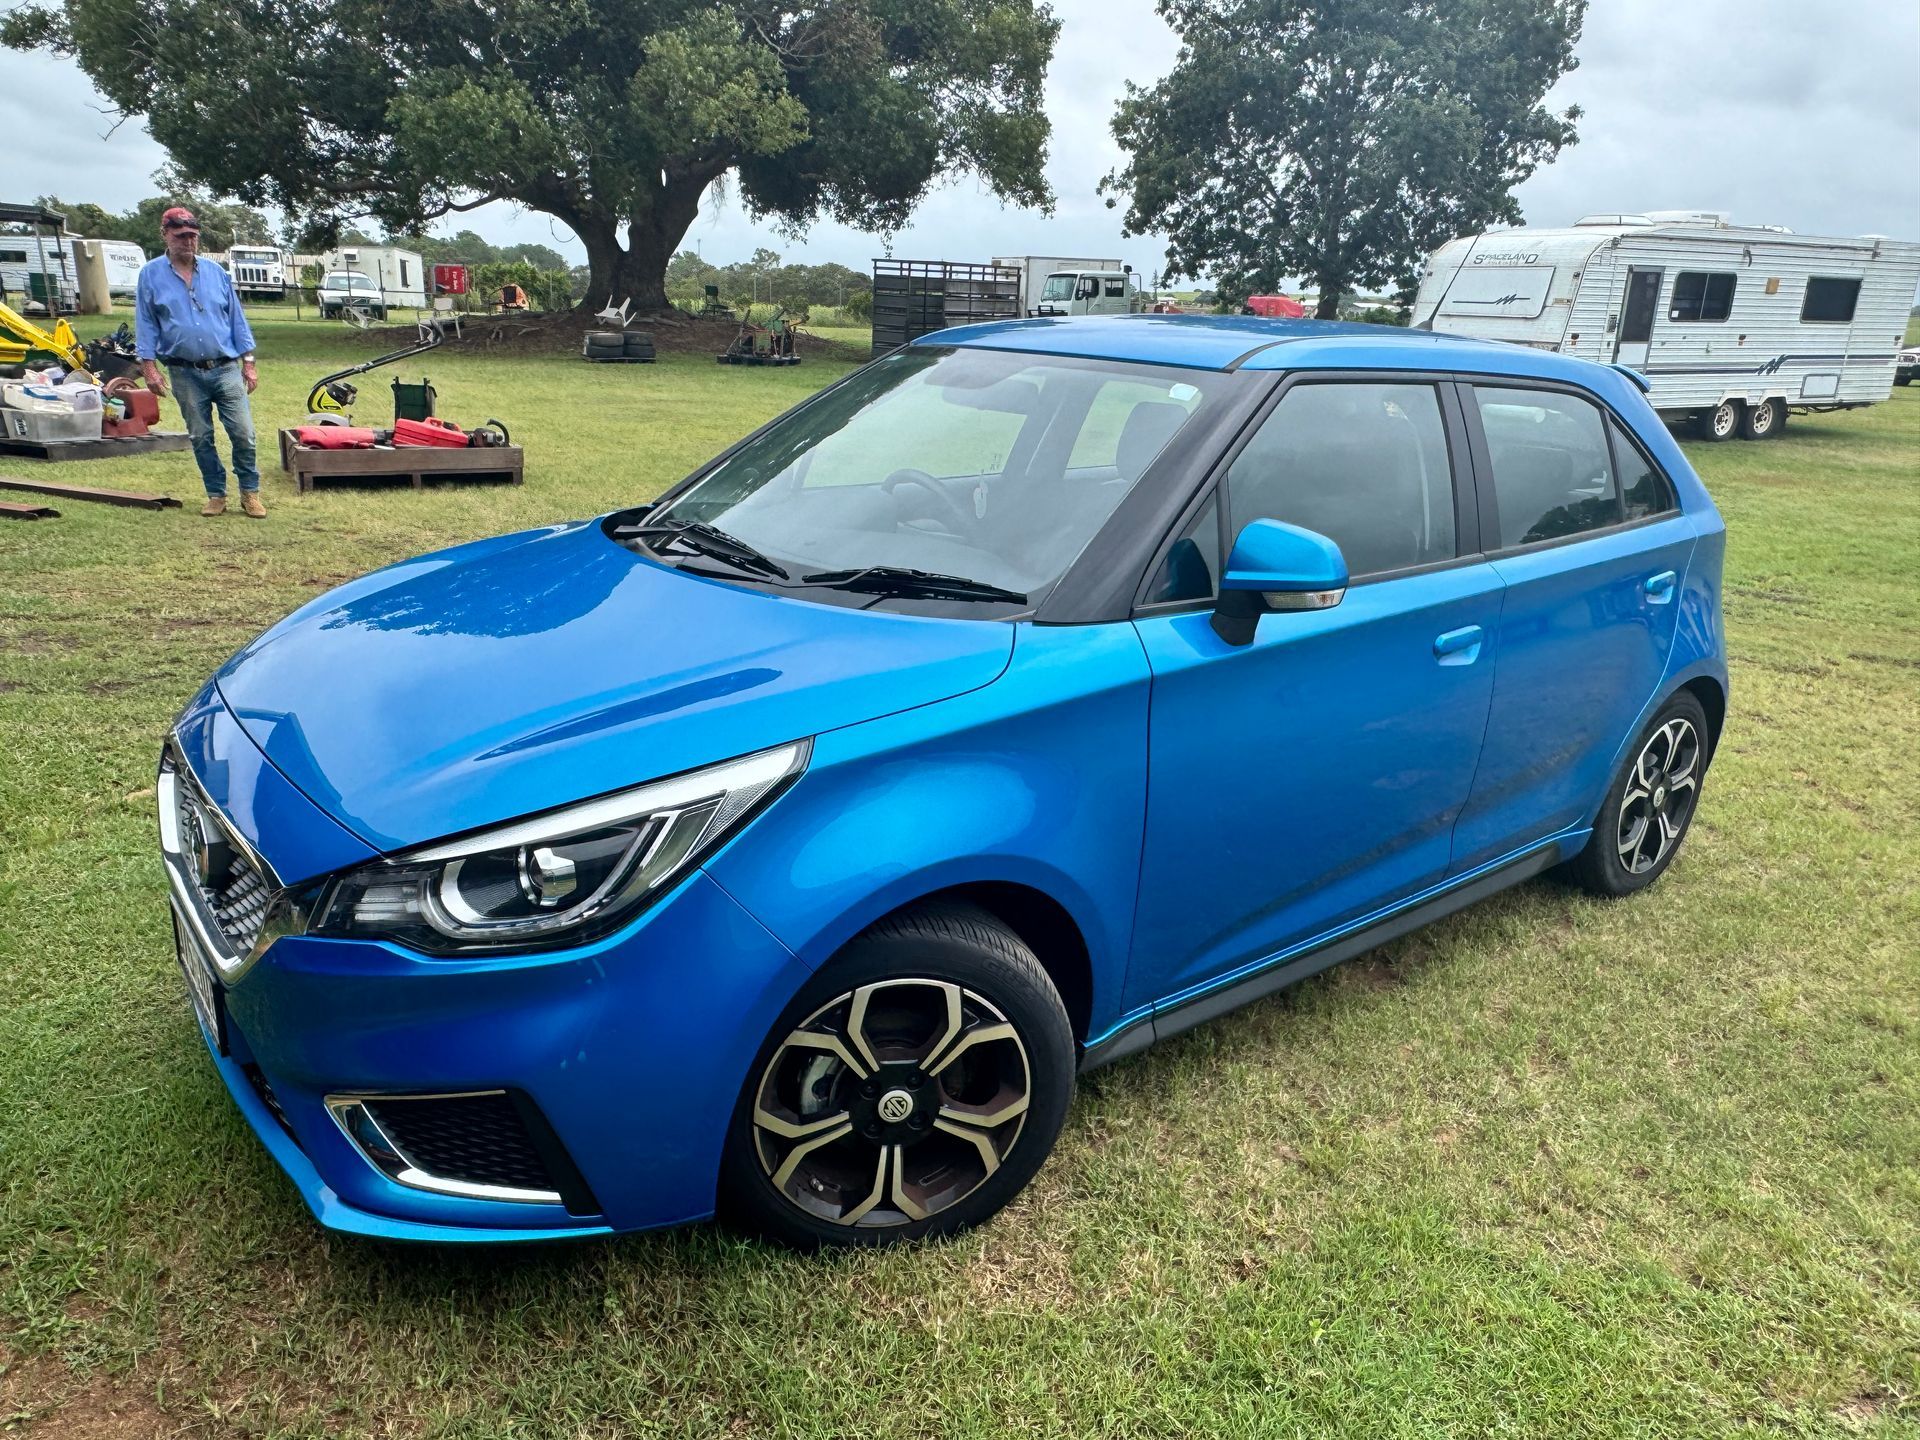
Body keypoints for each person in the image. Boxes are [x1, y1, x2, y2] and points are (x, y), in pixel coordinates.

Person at [134, 207, 265, 518]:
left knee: (243, 433)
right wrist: (149, 368)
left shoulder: (216, 273)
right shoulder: (150, 275)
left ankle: (250, 493)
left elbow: (237, 320)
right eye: (181, 236)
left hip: (225, 367)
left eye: (193, 236)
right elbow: (146, 323)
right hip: (184, 371)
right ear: (165, 235)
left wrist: (249, 363)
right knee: (201, 436)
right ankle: (216, 494)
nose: (188, 242)